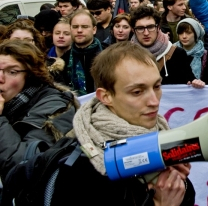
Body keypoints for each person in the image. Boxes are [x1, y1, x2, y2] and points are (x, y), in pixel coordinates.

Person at [50, 42, 196, 205]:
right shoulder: (81, 168)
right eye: (137, 92)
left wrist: (180, 185)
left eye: (156, 86)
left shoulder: (161, 138)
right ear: (106, 96)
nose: (154, 101)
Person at [0, 41, 77, 180]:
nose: (1, 78)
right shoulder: (8, 102)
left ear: (30, 75)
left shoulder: (55, 106)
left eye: (12, 72)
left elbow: (23, 165)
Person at [130, 6, 195, 85]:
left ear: (158, 28)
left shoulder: (177, 53)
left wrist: (195, 83)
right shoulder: (127, 56)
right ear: (133, 30)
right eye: (140, 28)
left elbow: (190, 80)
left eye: (151, 27)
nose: (146, 33)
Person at [67, 10, 106, 95]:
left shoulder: (108, 55)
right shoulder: (64, 60)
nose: (79, 30)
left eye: (84, 27)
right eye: (75, 27)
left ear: (94, 29)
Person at [47, 18, 72, 84]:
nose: (61, 36)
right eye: (57, 33)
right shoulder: (45, 57)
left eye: (66, 34)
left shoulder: (77, 58)